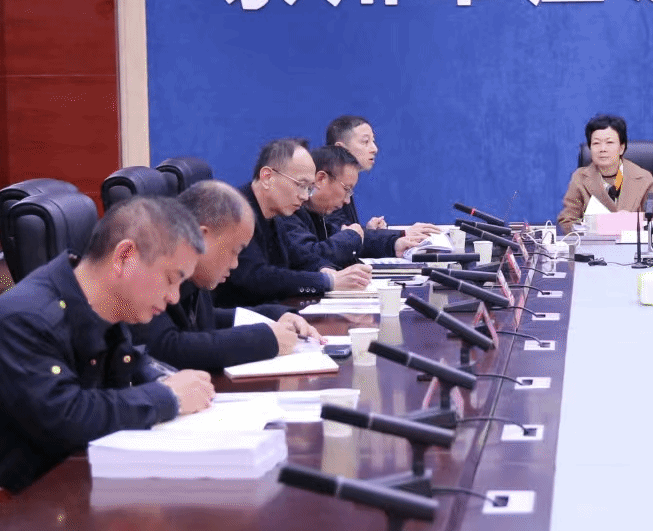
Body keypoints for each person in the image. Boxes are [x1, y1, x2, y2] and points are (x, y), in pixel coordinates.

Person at [0, 196, 216, 493]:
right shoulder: (25, 320)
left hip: (57, 496)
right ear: (124, 257)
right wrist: (168, 396)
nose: (174, 297)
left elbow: (126, 362)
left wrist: (163, 378)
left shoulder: (102, 308)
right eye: (171, 279)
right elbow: (67, 418)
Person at [131, 180, 318, 374]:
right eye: (234, 251)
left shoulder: (192, 272)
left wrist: (274, 315)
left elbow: (205, 319)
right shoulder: (150, 263)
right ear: (201, 237)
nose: (235, 264)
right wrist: (265, 339)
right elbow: (165, 347)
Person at [216, 138, 372, 307]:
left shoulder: (276, 214)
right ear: (267, 177)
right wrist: (327, 281)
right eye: (301, 185)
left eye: (309, 188)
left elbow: (299, 257)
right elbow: (256, 277)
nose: (305, 196)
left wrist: (325, 270)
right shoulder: (235, 211)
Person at [285, 144, 433, 269]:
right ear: (321, 179)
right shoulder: (288, 212)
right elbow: (309, 258)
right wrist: (350, 236)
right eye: (346, 189)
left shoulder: (317, 214)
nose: (347, 201)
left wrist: (393, 244)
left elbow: (348, 237)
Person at [326, 114, 444, 245]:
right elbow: (339, 236)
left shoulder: (343, 181)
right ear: (340, 148)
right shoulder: (328, 186)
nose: (374, 149)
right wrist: (402, 234)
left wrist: (370, 232)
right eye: (365, 142)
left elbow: (349, 237)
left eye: (373, 141)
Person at [559, 113, 653, 234]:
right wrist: (591, 226)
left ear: (621, 148)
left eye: (609, 142)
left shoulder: (643, 178)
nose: (602, 149)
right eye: (596, 143)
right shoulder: (580, 178)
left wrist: (632, 221)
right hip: (594, 244)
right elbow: (567, 221)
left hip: (632, 244)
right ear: (590, 148)